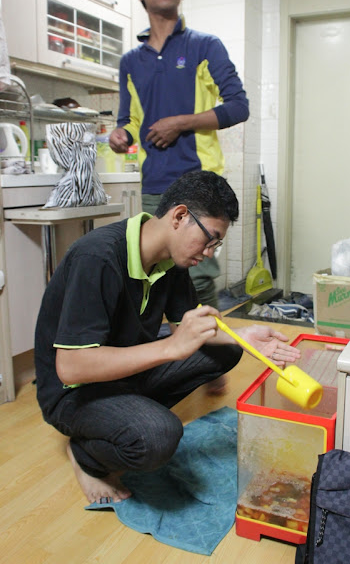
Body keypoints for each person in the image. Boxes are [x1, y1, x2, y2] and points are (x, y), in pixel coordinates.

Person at [34, 171, 300, 505]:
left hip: (122, 371)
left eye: (216, 245)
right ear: (179, 216)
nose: (209, 253)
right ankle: (86, 455)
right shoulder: (98, 257)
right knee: (158, 437)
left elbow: (186, 326)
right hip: (72, 392)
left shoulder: (172, 261)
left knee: (227, 350)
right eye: (210, 239)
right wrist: (170, 348)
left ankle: (127, 413)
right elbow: (71, 367)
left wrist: (243, 337)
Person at [108, 0, 250, 394]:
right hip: (155, 184)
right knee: (155, 272)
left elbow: (238, 106)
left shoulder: (205, 46)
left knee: (199, 276)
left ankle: (212, 360)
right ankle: (168, 358)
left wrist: (181, 122)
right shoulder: (131, 62)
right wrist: (119, 134)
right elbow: (129, 119)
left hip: (199, 179)